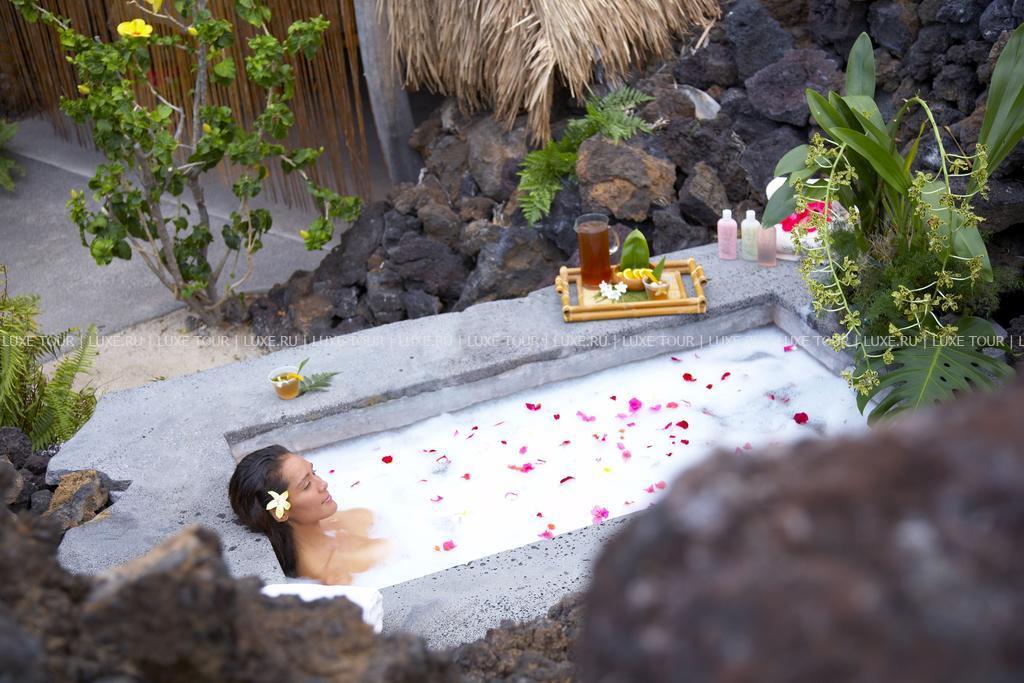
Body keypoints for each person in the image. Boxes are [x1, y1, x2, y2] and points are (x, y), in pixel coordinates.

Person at [229, 444, 390, 585]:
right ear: (281, 512)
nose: (323, 484)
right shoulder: (329, 572)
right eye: (306, 485)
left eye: (314, 472)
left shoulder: (331, 524)